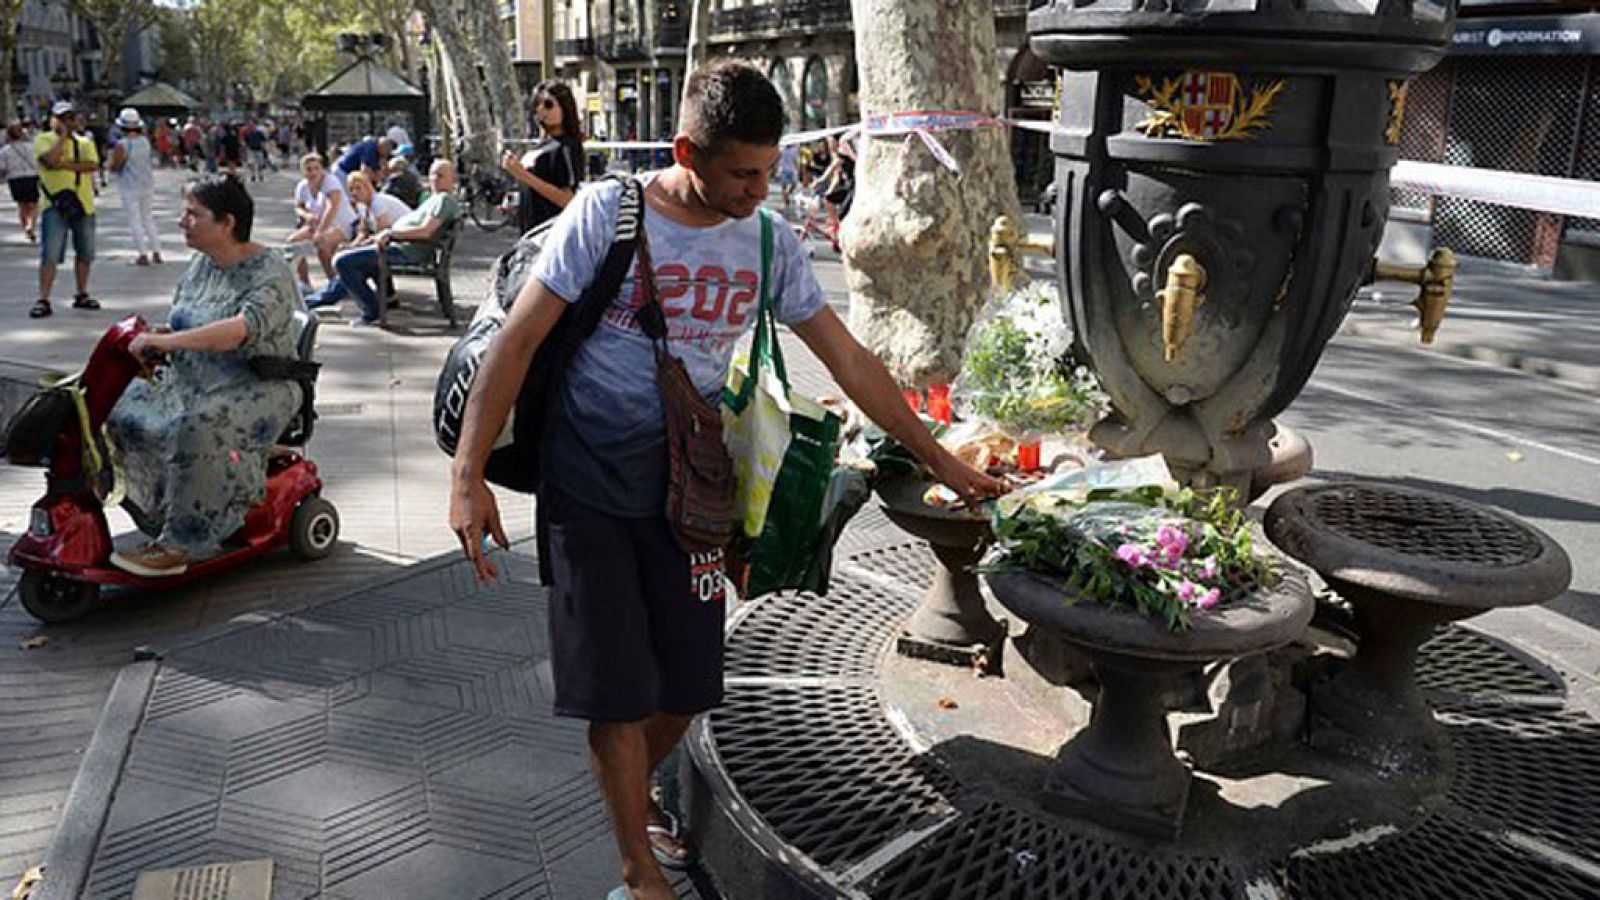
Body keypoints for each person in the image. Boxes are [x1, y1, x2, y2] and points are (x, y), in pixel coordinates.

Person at [446, 60, 1001, 900]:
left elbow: (849, 359)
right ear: (686, 152)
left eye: (769, 171)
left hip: (692, 491)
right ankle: (638, 869)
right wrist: (467, 476)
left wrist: (944, 460)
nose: (758, 189)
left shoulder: (768, 239)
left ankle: (629, 789)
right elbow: (516, 343)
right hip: (587, 481)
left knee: (689, 678)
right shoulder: (609, 211)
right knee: (616, 690)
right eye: (742, 171)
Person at [104, 175, 303, 577]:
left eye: (193, 214)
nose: (182, 221)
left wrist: (174, 341)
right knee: (114, 404)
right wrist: (159, 336)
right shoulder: (201, 265)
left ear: (227, 223)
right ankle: (157, 509)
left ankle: (181, 543)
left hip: (257, 383)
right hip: (193, 377)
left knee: (198, 426)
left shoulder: (271, 269)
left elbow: (236, 331)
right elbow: (188, 318)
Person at [321, 159, 459, 326]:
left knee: (342, 262)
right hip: (394, 246)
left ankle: (371, 310)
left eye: (440, 175)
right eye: (432, 174)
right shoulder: (433, 199)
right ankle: (370, 303)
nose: (435, 178)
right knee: (352, 263)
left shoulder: (444, 200)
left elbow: (426, 231)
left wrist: (391, 233)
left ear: (453, 179)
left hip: (404, 251)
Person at [302, 170, 412, 311]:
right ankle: (386, 298)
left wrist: (358, 247)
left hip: (403, 246)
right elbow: (363, 232)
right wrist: (351, 245)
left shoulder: (378, 204)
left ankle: (318, 300)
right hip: (388, 246)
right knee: (350, 257)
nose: (354, 192)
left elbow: (382, 233)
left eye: (359, 188)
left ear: (368, 187)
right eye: (351, 189)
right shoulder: (362, 207)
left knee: (349, 264)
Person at [32, 101, 101, 319]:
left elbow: (92, 165)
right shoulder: (43, 140)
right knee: (50, 254)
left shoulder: (84, 142)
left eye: (70, 118)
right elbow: (49, 160)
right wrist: (62, 138)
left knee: (85, 252)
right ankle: (44, 298)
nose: (67, 123)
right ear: (52, 119)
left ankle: (82, 293)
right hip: (54, 205)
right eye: (62, 118)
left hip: (83, 203)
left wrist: (66, 164)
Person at [501, 80, 585, 235]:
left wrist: (523, 175)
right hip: (529, 231)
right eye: (537, 104)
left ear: (564, 108)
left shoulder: (566, 147)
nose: (541, 109)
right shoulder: (542, 145)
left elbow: (568, 199)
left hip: (550, 234)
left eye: (548, 104)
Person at [286, 153, 356, 285]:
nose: (313, 172)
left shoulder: (330, 181)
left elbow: (332, 207)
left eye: (316, 168)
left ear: (322, 169)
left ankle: (335, 282)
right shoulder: (302, 186)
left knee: (322, 245)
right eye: (309, 169)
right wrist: (307, 215)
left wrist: (320, 231)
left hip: (341, 224)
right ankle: (304, 283)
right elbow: (298, 206)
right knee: (293, 243)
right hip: (317, 224)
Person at [107, 108, 163, 266]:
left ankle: (142, 253)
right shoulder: (145, 142)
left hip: (129, 185)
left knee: (134, 219)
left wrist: (109, 164)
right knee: (147, 218)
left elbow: (115, 166)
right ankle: (156, 251)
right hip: (147, 183)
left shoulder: (122, 145)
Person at [0, 121, 41, 242]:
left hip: (14, 178)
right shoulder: (32, 146)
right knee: (33, 204)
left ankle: (26, 228)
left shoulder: (5, 150)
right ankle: (31, 226)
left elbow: (2, 167)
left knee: (21, 205)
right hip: (31, 176)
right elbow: (37, 162)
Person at [776, 141, 799, 209]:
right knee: (792, 185)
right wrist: (797, 169)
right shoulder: (792, 150)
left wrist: (777, 170)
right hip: (788, 170)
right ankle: (786, 200)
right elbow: (795, 161)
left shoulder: (783, 150)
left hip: (785, 170)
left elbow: (778, 160)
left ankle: (786, 196)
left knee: (786, 186)